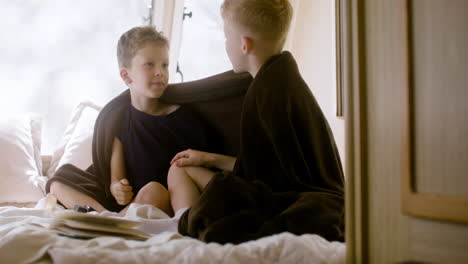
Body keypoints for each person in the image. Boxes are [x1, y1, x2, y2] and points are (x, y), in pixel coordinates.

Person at [176, 0, 345, 244]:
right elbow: (268, 168)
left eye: (226, 37)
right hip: (317, 199)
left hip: (311, 204)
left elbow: (260, 185)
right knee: (213, 186)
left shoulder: (267, 90)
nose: (225, 45)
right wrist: (208, 158)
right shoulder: (281, 77)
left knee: (220, 194)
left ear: (244, 44)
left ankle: (181, 229)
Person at [47, 26, 215, 216]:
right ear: (126, 76)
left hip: (162, 199)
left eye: (164, 65)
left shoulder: (184, 119)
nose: (159, 72)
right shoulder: (120, 118)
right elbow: (115, 178)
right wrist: (117, 188)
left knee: (153, 191)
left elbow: (196, 175)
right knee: (58, 180)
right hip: (129, 204)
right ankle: (106, 219)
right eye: (149, 64)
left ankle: (111, 221)